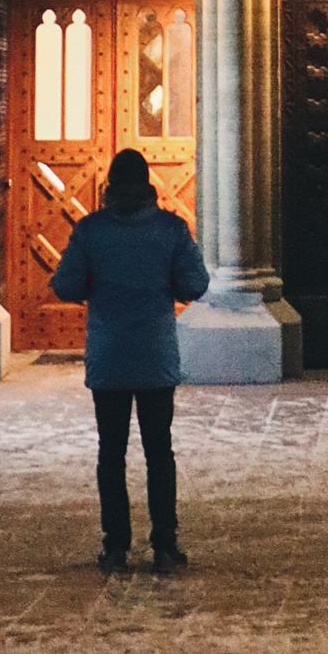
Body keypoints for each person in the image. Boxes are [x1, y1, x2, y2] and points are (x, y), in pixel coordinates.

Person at [49, 146, 209, 573]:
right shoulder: (171, 230)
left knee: (111, 453)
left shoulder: (90, 231)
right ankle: (165, 543)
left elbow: (64, 286)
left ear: (109, 187)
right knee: (160, 452)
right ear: (149, 186)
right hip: (155, 356)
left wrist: (96, 286)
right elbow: (195, 284)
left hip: (109, 358)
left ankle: (115, 545)